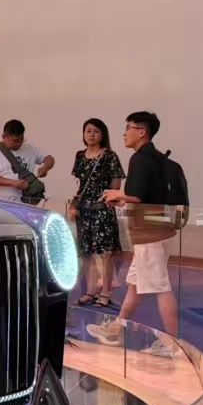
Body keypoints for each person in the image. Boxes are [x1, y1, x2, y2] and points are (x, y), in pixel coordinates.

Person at [88, 111, 180, 354]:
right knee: (136, 284)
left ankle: (173, 345)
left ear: (142, 131)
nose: (124, 133)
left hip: (150, 235)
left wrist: (116, 194)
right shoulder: (158, 158)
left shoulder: (139, 159)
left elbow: (136, 196)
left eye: (129, 127)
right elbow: (143, 197)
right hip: (158, 230)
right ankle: (117, 328)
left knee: (160, 287)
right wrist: (124, 198)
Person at [71, 118, 126, 307]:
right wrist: (74, 205)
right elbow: (79, 184)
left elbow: (115, 184)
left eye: (96, 131)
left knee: (105, 254)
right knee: (86, 253)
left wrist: (107, 201)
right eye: (88, 131)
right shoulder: (80, 155)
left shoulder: (110, 156)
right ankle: (90, 291)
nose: (91, 135)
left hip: (102, 210)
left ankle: (106, 291)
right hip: (84, 210)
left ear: (103, 135)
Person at [0, 120, 54, 205]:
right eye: (15, 141)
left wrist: (45, 168)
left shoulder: (30, 148)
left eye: (21, 139)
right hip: (3, 202)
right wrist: (13, 183)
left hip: (28, 202)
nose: (19, 143)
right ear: (4, 136)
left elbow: (49, 158)